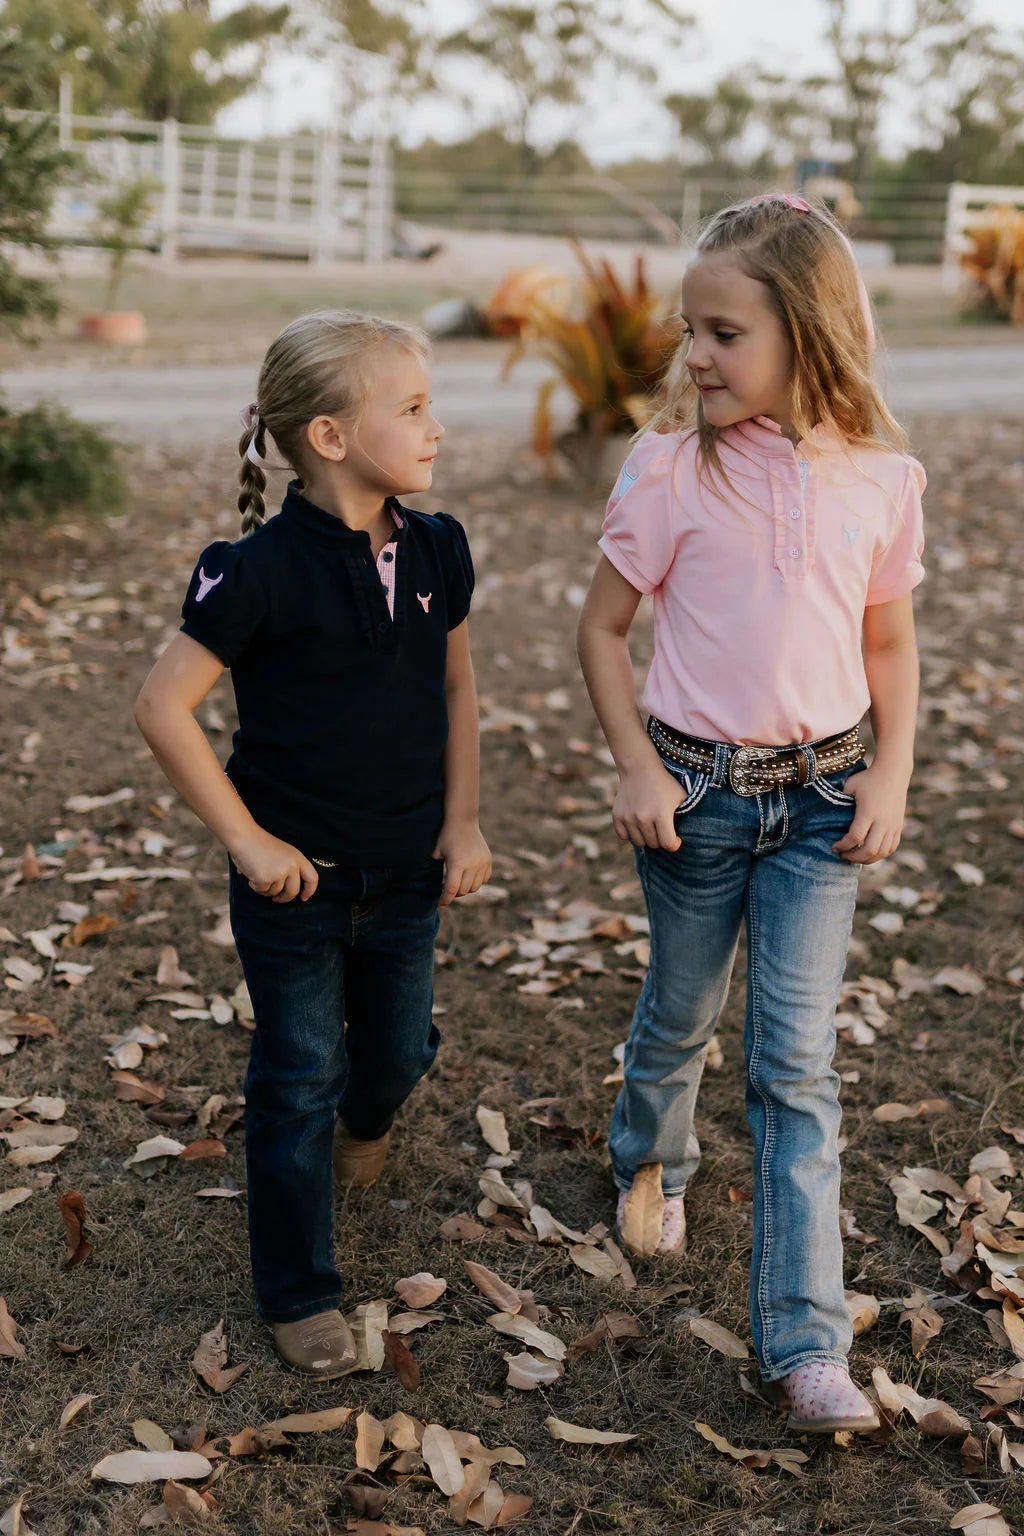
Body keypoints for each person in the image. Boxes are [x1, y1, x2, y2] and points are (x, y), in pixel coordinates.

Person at [576, 195, 924, 1434]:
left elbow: (889, 643)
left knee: (794, 1067)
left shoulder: (881, 478)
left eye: (725, 334)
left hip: (824, 807)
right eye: (690, 331)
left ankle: (805, 1347)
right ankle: (647, 1157)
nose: (697, 357)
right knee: (679, 1013)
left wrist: (890, 774)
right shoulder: (668, 468)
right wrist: (635, 768)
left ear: (808, 334)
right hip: (694, 800)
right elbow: (602, 631)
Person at [134, 310, 490, 1379]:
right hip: (294, 888)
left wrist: (463, 819)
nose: (436, 427)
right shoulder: (253, 571)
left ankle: (366, 1122)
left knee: (395, 1053)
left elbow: (457, 687)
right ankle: (298, 1290)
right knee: (296, 1076)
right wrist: (247, 841)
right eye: (412, 408)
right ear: (330, 437)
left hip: (410, 871)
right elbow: (162, 707)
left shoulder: (438, 547)